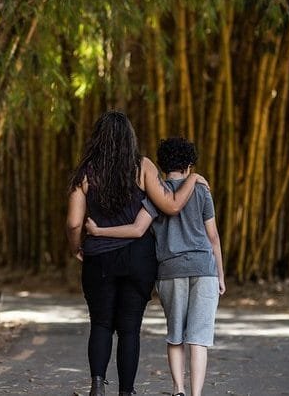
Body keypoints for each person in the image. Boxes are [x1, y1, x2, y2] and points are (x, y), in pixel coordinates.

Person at [66, 112, 208, 396]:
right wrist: (193, 178)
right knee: (130, 328)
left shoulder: (85, 173)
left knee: (101, 323)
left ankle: (97, 384)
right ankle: (127, 391)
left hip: (99, 259)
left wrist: (76, 247)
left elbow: (73, 223)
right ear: (130, 138)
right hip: (138, 259)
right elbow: (171, 206)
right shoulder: (142, 166)